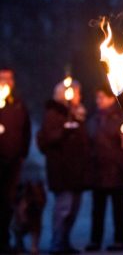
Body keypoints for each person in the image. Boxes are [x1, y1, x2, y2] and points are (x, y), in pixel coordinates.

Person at [37, 79, 90, 254]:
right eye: (76, 93)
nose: (79, 96)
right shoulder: (54, 113)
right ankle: (57, 243)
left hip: (77, 170)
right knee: (63, 209)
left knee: (73, 209)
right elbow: (48, 138)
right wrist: (64, 130)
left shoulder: (78, 113)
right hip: (62, 169)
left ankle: (65, 242)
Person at [85, 87, 123, 252]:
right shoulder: (94, 118)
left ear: (112, 99)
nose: (99, 101)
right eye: (97, 98)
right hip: (98, 170)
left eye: (102, 97)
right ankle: (95, 240)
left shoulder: (121, 117)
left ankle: (120, 239)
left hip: (116, 169)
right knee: (97, 209)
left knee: (119, 207)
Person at [0, 67, 31, 253]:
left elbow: (26, 131)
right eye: (2, 78)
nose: (5, 82)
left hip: (13, 163)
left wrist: (22, 154)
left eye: (9, 78)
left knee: (8, 204)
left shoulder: (18, 105)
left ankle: (5, 241)